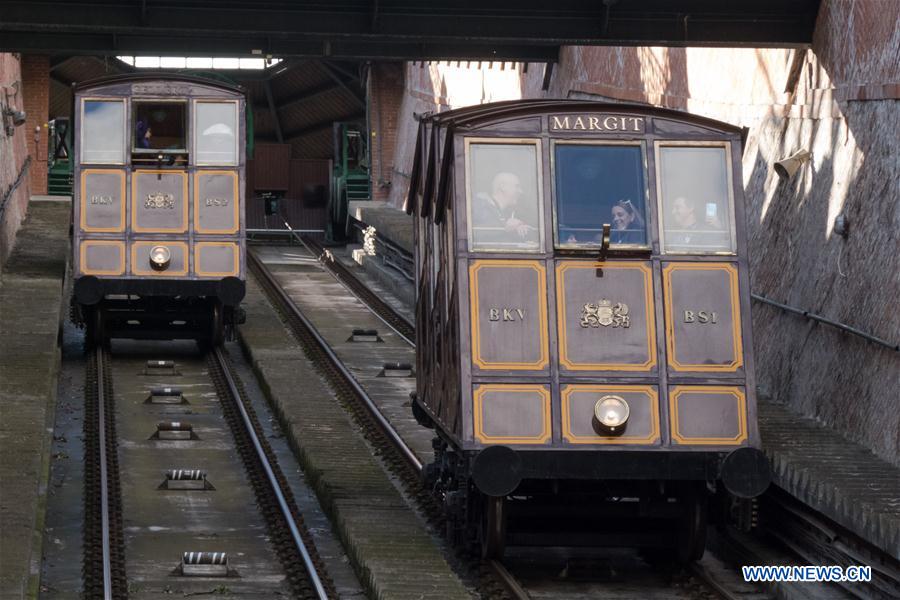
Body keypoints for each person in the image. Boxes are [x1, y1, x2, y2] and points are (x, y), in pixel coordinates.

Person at [472, 172, 538, 246]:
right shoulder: (479, 205)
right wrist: (504, 226)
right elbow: (472, 234)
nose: (521, 191)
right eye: (517, 186)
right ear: (502, 187)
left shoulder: (505, 213)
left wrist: (521, 229)